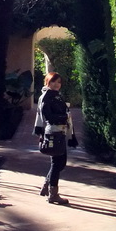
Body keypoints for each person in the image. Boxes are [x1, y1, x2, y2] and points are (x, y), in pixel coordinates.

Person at [33, 71, 77, 205]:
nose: (57, 84)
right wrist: (63, 118)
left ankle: (48, 186)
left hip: (60, 132)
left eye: (59, 82)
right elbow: (47, 116)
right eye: (53, 81)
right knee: (57, 163)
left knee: (60, 163)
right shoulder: (47, 97)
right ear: (48, 82)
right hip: (54, 132)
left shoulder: (56, 96)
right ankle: (53, 194)